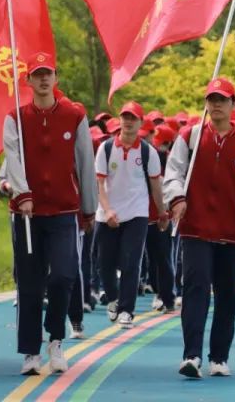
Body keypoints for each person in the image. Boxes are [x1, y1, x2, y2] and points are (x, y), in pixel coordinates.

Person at [164, 78, 235, 379]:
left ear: (233, 105)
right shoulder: (190, 137)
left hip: (231, 230)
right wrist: (176, 198)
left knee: (227, 294)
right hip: (195, 227)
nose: (216, 104)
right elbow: (174, 172)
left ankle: (219, 357)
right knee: (195, 288)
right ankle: (191, 355)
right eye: (211, 99)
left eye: (222, 99)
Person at [3, 52, 98, 376]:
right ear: (28, 81)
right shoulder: (15, 118)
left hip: (63, 211)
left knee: (63, 276)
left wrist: (89, 208)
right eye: (37, 74)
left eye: (48, 74)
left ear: (56, 78)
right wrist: (22, 193)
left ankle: (56, 339)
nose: (43, 79)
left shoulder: (75, 115)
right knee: (29, 284)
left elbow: (86, 163)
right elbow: (12, 160)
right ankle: (30, 351)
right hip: (27, 215)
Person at [95, 101, 165, 329]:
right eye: (125, 116)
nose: (128, 121)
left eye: (133, 117)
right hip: (107, 214)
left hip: (136, 213)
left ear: (140, 122)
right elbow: (100, 184)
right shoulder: (106, 148)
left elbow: (155, 186)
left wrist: (162, 211)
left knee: (130, 262)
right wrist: (108, 210)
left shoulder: (148, 152)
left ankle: (127, 310)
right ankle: (113, 298)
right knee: (104, 264)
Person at [144, 124, 177, 313]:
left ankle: (166, 296)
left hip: (160, 215)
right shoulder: (135, 155)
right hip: (137, 215)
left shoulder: (167, 159)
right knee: (144, 259)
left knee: (162, 257)